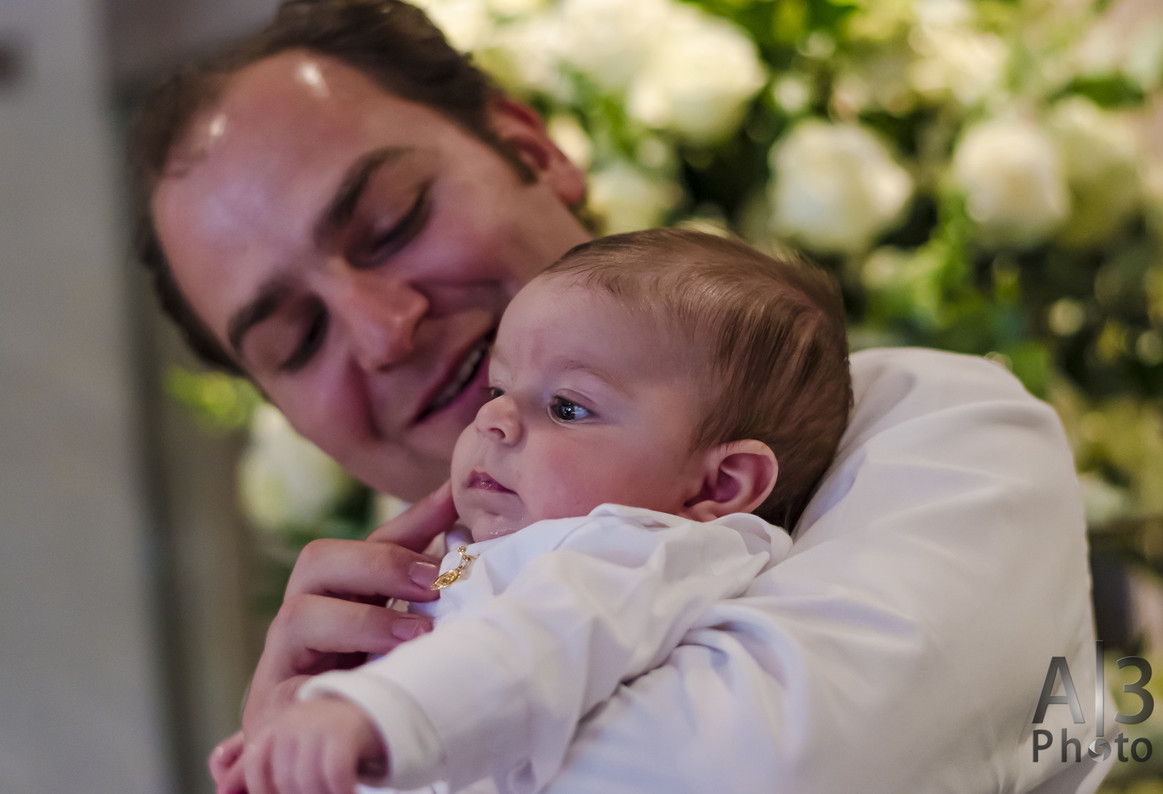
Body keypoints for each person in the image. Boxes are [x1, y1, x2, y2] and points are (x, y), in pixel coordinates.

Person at [128, 1, 1106, 791]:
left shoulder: (933, 426)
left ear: (531, 147)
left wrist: (384, 746)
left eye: (394, 219)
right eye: (296, 340)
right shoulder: (373, 639)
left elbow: (767, 768)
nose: (387, 327)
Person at [224, 227, 852, 793]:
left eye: (567, 407)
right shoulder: (470, 556)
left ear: (719, 486)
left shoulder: (639, 550)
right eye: (498, 389)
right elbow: (446, 625)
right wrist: (291, 731)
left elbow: (536, 644)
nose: (492, 418)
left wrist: (368, 713)